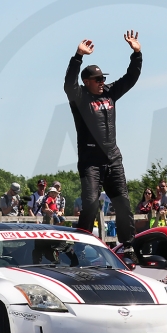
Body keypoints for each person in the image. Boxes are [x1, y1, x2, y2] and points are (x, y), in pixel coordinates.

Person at [64, 30, 143, 261]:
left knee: (124, 203)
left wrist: (136, 54)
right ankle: (79, 246)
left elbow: (130, 78)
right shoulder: (80, 98)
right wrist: (78, 56)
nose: (102, 83)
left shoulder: (109, 94)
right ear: (86, 82)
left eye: (103, 79)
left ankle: (128, 247)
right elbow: (69, 83)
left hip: (113, 160)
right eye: (98, 80)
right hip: (91, 164)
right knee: (89, 204)